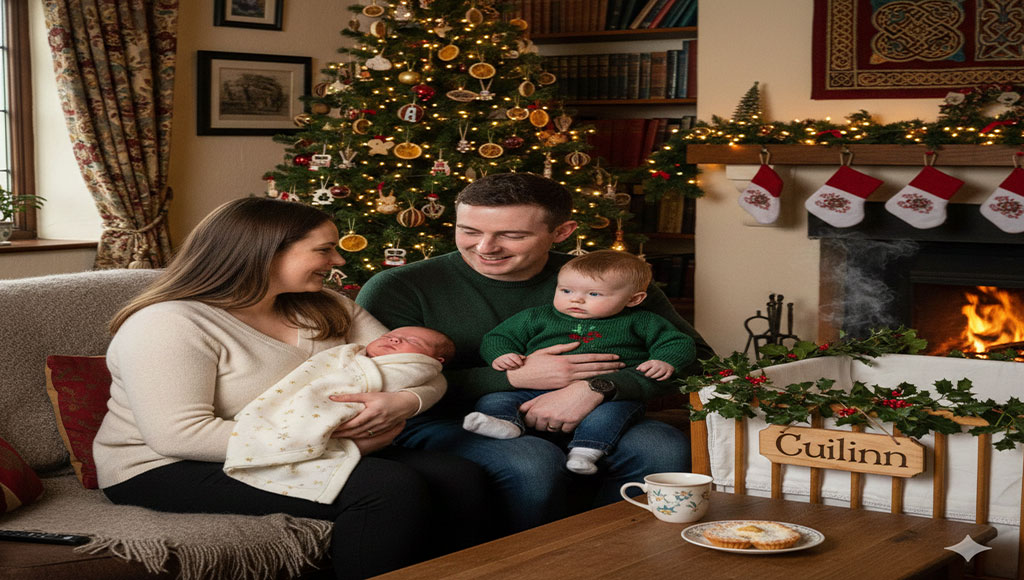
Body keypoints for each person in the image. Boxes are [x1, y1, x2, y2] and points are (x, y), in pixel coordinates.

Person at [93, 197, 489, 580]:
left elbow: (421, 367)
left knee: (461, 477)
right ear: (266, 253)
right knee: (386, 489)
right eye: (325, 250)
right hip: (167, 467)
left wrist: (403, 400)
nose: (338, 261)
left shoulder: (326, 305)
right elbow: (177, 436)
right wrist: (329, 442)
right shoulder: (169, 324)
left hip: (294, 448)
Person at [356, 172, 715, 534]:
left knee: (662, 447)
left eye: (511, 235)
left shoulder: (607, 281)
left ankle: (607, 558)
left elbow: (699, 360)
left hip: (597, 414)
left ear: (562, 232)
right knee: (530, 462)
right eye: (469, 231)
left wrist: (597, 388)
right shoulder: (400, 287)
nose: (485, 247)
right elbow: (374, 380)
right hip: (447, 418)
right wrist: (512, 378)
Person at [464, 250, 696, 476]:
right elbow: (498, 337)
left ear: (633, 299)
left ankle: (586, 451)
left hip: (608, 399)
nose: (576, 299)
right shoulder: (537, 317)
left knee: (611, 416)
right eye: (565, 290)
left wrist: (666, 361)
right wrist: (502, 354)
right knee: (495, 399)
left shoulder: (643, 321)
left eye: (594, 294)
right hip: (533, 392)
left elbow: (678, 342)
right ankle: (506, 424)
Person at [224, 327, 455, 503]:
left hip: (378, 429)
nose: (393, 339)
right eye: (389, 336)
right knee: (393, 485)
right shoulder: (194, 318)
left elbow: (429, 375)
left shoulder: (337, 305)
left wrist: (407, 400)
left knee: (460, 476)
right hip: (253, 435)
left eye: (412, 341)